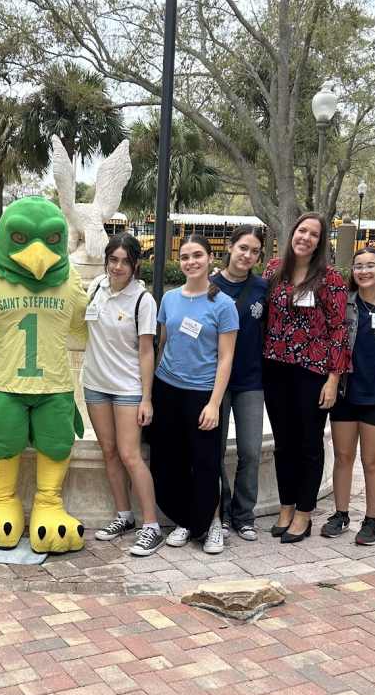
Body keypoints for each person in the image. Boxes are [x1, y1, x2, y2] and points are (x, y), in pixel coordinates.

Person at [261, 211, 350, 543]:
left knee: (309, 444)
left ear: (320, 241)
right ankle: (286, 507)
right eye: (302, 231)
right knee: (284, 444)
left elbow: (339, 330)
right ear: (292, 234)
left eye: (314, 234)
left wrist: (333, 378)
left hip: (313, 372)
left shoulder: (330, 279)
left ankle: (304, 514)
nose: (306, 238)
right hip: (275, 368)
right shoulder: (273, 270)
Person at [150, 234, 238, 554]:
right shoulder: (170, 299)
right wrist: (149, 393)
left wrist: (215, 403)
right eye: (185, 257)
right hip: (167, 388)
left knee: (205, 462)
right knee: (170, 459)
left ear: (210, 258)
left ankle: (212, 523)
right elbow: (162, 345)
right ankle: (185, 520)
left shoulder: (223, 305)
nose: (191, 262)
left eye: (197, 255)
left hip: (202, 393)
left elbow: (227, 358)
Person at [83, 234, 163, 557]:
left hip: (128, 387)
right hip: (95, 383)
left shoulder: (143, 300)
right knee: (109, 450)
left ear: (135, 264)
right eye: (113, 259)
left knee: (130, 454)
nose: (118, 267)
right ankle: (124, 516)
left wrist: (147, 397)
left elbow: (147, 352)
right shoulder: (95, 289)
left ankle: (152, 526)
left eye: (125, 261)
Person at [325, 247, 375, 546]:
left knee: (372, 462)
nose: (363, 270)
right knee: (343, 457)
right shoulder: (344, 305)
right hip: (345, 392)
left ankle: (372, 521)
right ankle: (341, 514)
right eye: (357, 266)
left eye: (370, 265)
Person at [210, 226, 268, 543]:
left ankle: (244, 515)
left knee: (250, 451)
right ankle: (222, 510)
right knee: (215, 451)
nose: (247, 255)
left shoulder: (262, 288)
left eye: (254, 251)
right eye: (243, 248)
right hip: (216, 383)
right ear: (230, 247)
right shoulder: (210, 286)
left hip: (250, 382)